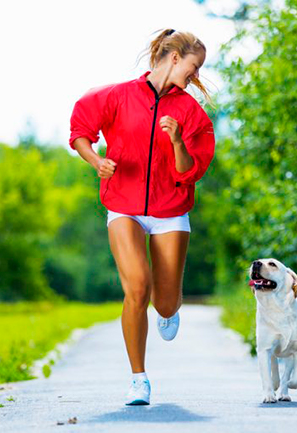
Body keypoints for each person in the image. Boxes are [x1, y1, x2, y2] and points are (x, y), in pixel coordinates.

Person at [69, 28, 215, 406]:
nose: (194, 76)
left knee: (164, 303)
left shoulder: (192, 114)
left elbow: (190, 172)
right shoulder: (116, 96)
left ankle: (170, 311)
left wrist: (178, 141)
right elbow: (81, 129)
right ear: (174, 58)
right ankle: (138, 380)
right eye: (193, 67)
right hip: (123, 205)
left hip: (170, 211)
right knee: (137, 287)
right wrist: (97, 160)